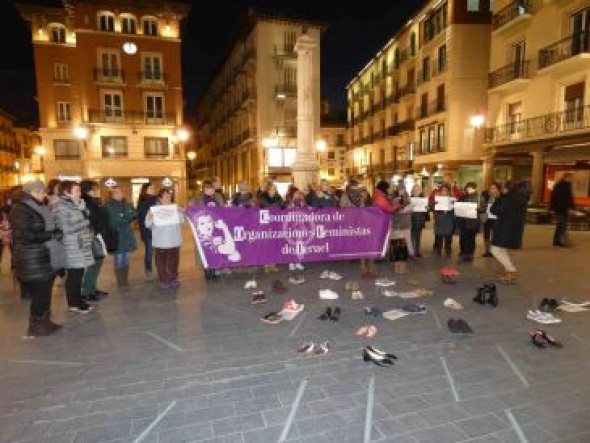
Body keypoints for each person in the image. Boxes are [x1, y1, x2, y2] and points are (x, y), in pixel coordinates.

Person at [9, 179, 63, 336]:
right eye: (40, 192)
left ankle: (45, 321)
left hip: (44, 254)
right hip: (32, 256)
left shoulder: (39, 206)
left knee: (46, 289)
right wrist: (50, 235)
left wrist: (54, 232)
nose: (43, 195)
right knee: (40, 291)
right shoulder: (20, 209)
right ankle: (36, 325)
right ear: (30, 192)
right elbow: (23, 235)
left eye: (44, 191)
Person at [52, 180, 95, 313]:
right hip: (71, 245)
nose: (79, 193)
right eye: (76, 191)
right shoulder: (60, 206)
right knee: (74, 275)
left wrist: (84, 213)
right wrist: (86, 222)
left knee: (79, 273)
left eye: (79, 190)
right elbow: (65, 228)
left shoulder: (78, 204)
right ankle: (73, 303)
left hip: (81, 244)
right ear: (66, 192)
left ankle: (78, 299)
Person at [145, 188, 185, 289]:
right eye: (165, 196)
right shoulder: (154, 209)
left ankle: (173, 278)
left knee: (174, 261)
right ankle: (164, 280)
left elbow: (182, 221)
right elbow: (147, 225)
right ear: (160, 198)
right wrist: (150, 217)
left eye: (169, 196)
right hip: (161, 242)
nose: (168, 198)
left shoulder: (175, 208)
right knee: (161, 262)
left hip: (174, 240)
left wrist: (180, 212)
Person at [490, 180, 527, 284]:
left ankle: (511, 269)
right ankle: (508, 268)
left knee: (495, 249)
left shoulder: (507, 199)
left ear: (506, 189)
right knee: (501, 248)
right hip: (514, 229)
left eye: (503, 188)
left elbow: (494, 210)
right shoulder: (521, 198)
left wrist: (497, 199)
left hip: (504, 228)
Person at [80, 180, 109, 301]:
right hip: (92, 236)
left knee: (97, 263)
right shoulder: (86, 202)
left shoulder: (93, 201)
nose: (98, 191)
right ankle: (87, 291)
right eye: (96, 189)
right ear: (89, 190)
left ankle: (92, 288)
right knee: (93, 263)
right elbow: (91, 219)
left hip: (97, 235)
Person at [104, 186, 137, 290]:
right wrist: (127, 217)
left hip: (127, 235)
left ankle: (125, 279)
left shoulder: (127, 204)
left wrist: (125, 216)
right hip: (117, 236)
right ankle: (120, 281)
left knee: (126, 258)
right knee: (119, 259)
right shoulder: (108, 206)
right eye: (116, 193)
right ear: (111, 195)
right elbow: (115, 221)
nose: (119, 194)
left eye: (120, 192)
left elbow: (134, 214)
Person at [456, 181, 484, 262]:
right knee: (463, 238)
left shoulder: (479, 198)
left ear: (475, 188)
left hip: (473, 222)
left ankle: (470, 254)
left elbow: (483, 209)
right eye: (468, 188)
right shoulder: (462, 197)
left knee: (471, 239)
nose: (469, 189)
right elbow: (457, 206)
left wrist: (478, 209)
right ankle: (463, 252)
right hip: (463, 221)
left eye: (471, 188)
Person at [136, 183, 157, 281]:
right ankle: (148, 272)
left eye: (153, 188)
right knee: (149, 253)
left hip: (158, 232)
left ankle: (161, 270)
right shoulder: (143, 202)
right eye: (151, 188)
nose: (153, 189)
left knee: (159, 252)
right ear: (145, 190)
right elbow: (141, 218)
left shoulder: (157, 200)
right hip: (148, 232)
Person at [550, 172, 575, 247]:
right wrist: (552, 208)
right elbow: (553, 197)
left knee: (560, 225)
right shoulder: (558, 186)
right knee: (562, 225)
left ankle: (556, 241)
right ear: (565, 178)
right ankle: (560, 241)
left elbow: (570, 198)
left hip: (564, 209)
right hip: (558, 209)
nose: (570, 179)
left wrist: (572, 206)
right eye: (569, 178)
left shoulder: (568, 186)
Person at [432, 184, 455, 256]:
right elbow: (433, 208)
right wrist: (434, 205)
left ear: (448, 191)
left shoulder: (452, 199)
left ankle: (448, 248)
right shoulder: (437, 199)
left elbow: (455, 209)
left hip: (448, 218)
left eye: (445, 190)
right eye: (442, 190)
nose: (443, 192)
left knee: (448, 235)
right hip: (440, 218)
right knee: (439, 235)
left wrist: (453, 206)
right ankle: (439, 249)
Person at [481, 182, 501, 257]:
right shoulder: (486, 196)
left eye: (494, 188)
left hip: (496, 219)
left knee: (495, 235)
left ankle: (495, 250)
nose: (492, 189)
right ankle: (487, 251)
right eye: (491, 188)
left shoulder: (500, 197)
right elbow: (482, 206)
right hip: (487, 218)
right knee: (486, 235)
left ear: (498, 189)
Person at [409, 183, 428, 258]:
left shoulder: (423, 198)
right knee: (411, 236)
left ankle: (417, 251)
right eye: (415, 189)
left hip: (420, 218)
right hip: (411, 218)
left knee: (418, 236)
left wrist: (427, 207)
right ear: (412, 190)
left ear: (420, 190)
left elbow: (426, 210)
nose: (416, 190)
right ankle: (411, 251)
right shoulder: (410, 198)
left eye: (418, 189)